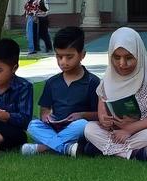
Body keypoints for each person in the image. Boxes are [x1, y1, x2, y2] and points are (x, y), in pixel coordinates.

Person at [82, 27, 147, 161]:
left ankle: (102, 149)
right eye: (117, 58)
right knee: (89, 129)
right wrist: (104, 119)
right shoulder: (108, 77)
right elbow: (102, 112)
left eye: (129, 57)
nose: (122, 64)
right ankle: (131, 153)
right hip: (116, 132)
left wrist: (129, 129)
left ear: (139, 54)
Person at [24, 25, 100, 157]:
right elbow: (44, 109)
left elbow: (99, 114)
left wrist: (82, 115)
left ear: (82, 55)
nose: (63, 62)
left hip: (77, 129)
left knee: (82, 125)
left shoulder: (92, 82)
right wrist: (46, 116)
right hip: (54, 127)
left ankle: (42, 148)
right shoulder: (52, 82)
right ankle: (66, 148)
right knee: (33, 125)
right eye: (59, 57)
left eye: (69, 57)